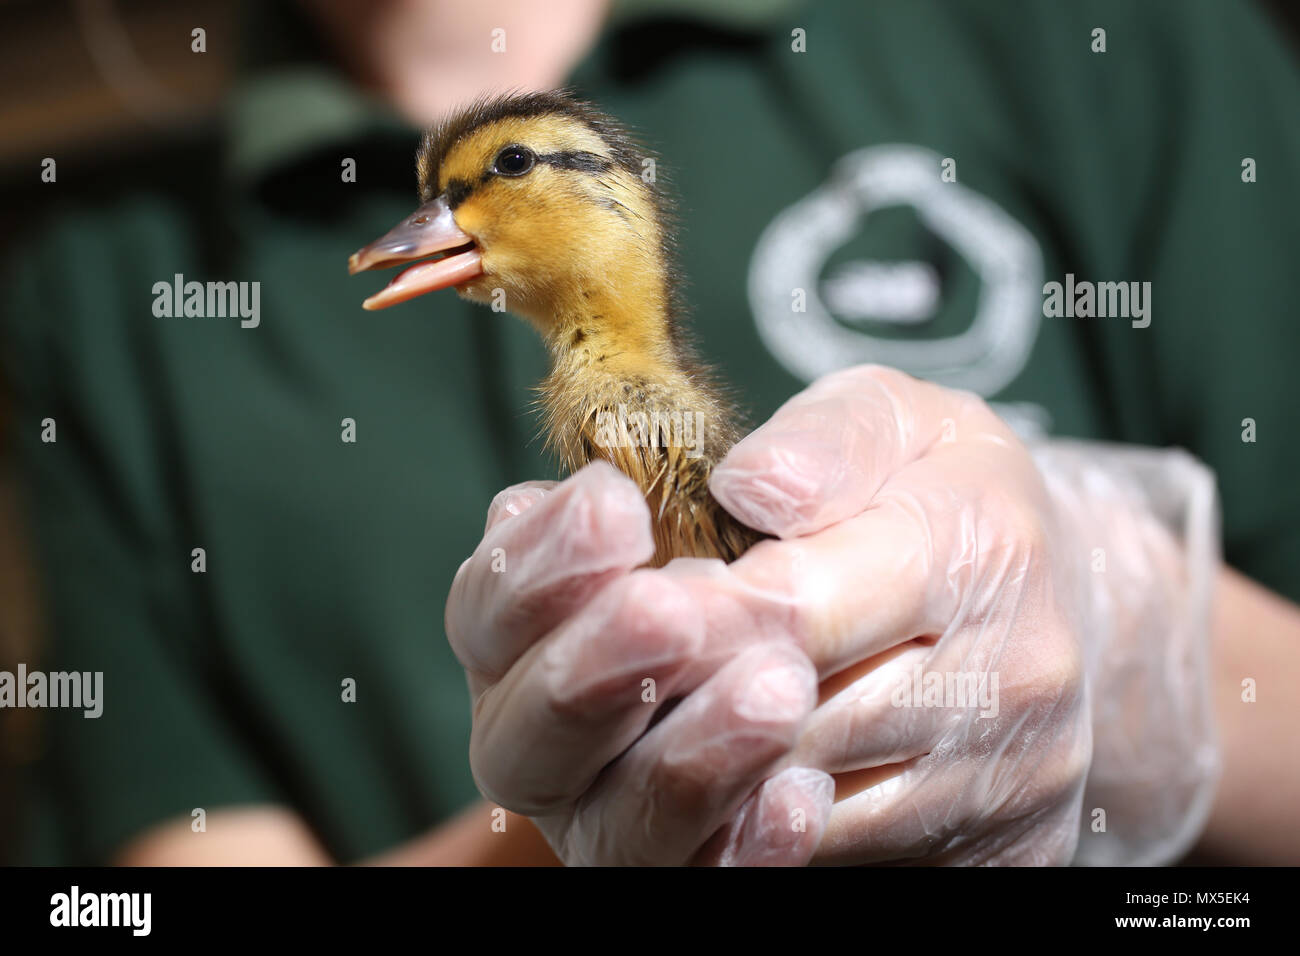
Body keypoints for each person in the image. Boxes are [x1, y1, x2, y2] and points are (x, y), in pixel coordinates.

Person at [2, 0, 1297, 865]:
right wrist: (572, 830)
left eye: (496, 181)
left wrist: (1145, 646)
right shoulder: (100, 295)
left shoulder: (1095, 34)